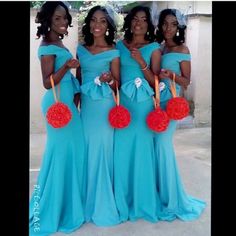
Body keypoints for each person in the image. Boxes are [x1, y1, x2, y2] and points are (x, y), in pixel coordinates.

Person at [29, 2, 86, 235]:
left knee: (72, 152)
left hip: (66, 104)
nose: (63, 22)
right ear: (48, 21)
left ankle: (68, 202)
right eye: (58, 19)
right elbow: (46, 81)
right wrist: (68, 67)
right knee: (60, 155)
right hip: (56, 105)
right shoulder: (47, 47)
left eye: (65, 18)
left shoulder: (58, 42)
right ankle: (54, 207)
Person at [154, 8, 206, 221]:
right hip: (155, 104)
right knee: (155, 147)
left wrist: (171, 75)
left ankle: (172, 199)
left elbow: (186, 81)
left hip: (170, 104)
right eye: (165, 23)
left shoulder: (183, 50)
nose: (168, 28)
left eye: (173, 24)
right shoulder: (159, 48)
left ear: (179, 27)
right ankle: (157, 193)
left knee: (163, 147)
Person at [113, 5, 163, 223]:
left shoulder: (154, 48)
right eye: (134, 18)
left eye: (143, 19)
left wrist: (142, 63)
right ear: (129, 22)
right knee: (122, 151)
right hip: (123, 105)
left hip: (143, 105)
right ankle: (121, 200)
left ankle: (143, 201)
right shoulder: (118, 46)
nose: (138, 22)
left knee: (142, 151)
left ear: (148, 24)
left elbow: (155, 83)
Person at [76, 5, 120, 226]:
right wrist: (73, 111)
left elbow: (118, 84)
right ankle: (85, 199)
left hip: (104, 108)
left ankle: (102, 202)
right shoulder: (80, 50)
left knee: (102, 151)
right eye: (94, 20)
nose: (97, 25)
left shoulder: (114, 51)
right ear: (88, 23)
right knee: (86, 151)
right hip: (87, 110)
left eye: (103, 21)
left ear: (108, 26)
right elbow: (78, 82)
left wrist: (110, 79)